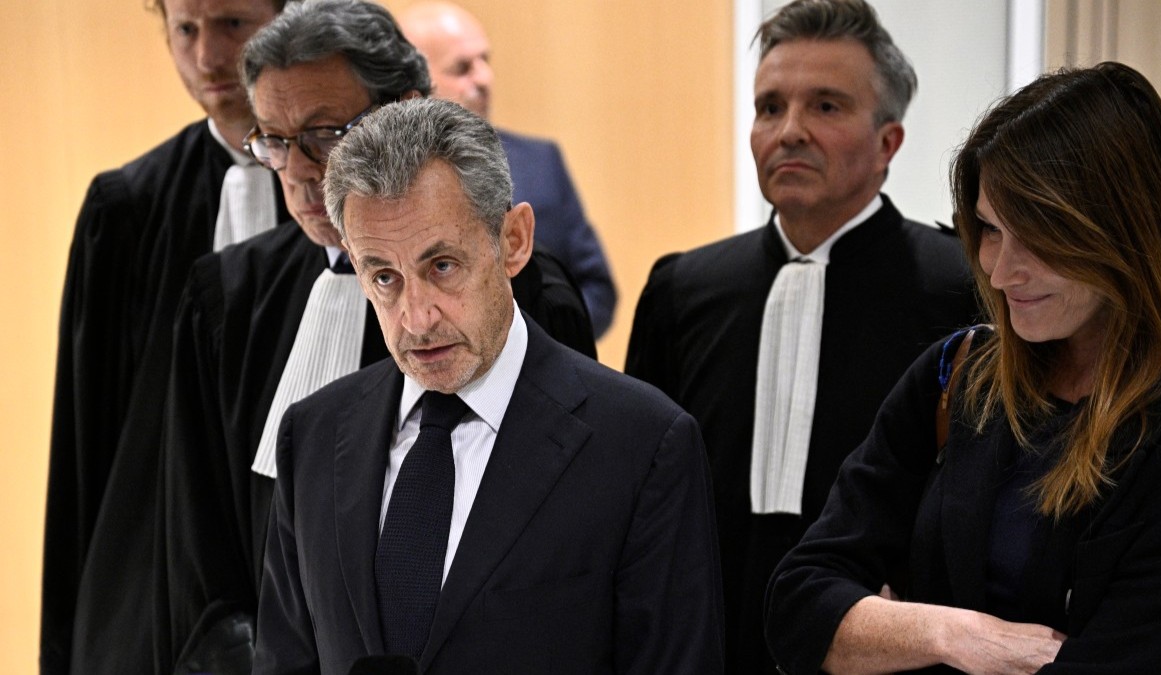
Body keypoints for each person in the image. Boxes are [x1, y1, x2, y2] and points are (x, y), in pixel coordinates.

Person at [155, 1, 596, 672]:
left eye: (325, 133)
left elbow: (559, 549)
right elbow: (197, 561)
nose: (299, 170)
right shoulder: (225, 299)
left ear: (407, 109)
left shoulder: (525, 294)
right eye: (272, 138)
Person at [253, 98, 724, 674]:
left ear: (514, 240)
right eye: (384, 277)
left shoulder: (643, 444)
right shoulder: (312, 434)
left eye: (442, 266)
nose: (416, 318)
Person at [765, 61, 1161, 674]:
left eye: (1039, 236)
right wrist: (952, 635)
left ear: (1127, 228)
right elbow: (797, 605)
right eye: (992, 230)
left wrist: (882, 628)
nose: (1000, 272)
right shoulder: (960, 374)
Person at [623, 1, 975, 671]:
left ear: (888, 143)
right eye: (769, 107)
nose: (789, 131)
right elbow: (646, 493)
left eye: (826, 107)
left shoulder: (963, 291)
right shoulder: (683, 290)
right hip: (707, 642)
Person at [41, 0, 289, 672]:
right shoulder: (126, 209)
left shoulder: (344, 205)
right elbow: (88, 445)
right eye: (185, 29)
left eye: (234, 24)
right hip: (155, 587)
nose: (208, 57)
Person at [398, 1, 618, 337]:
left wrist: (540, 342)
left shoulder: (541, 162)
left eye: (485, 60)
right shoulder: (385, 185)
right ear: (412, 91)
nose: (484, 78)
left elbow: (596, 287)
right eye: (461, 68)